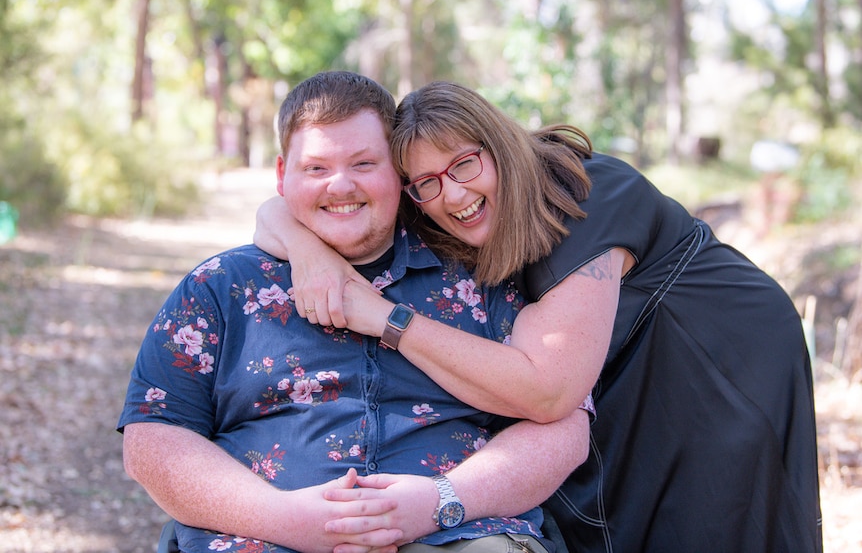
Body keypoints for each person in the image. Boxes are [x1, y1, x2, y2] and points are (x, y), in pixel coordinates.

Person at [255, 80, 823, 552]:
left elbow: (549, 389)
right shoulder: (439, 207)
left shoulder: (589, 196)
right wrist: (308, 253)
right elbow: (280, 209)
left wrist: (385, 318)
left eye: (465, 164)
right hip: (615, 361)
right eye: (427, 182)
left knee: (712, 518)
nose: (452, 196)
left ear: (497, 146)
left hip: (716, 350)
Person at [118, 71, 593, 553]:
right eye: (317, 169)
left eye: (364, 163)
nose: (340, 185)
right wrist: (286, 520)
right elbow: (152, 440)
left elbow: (563, 426)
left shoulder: (480, 276)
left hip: (457, 533)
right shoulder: (221, 288)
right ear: (283, 176)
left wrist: (442, 501)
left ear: (399, 174)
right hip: (262, 538)